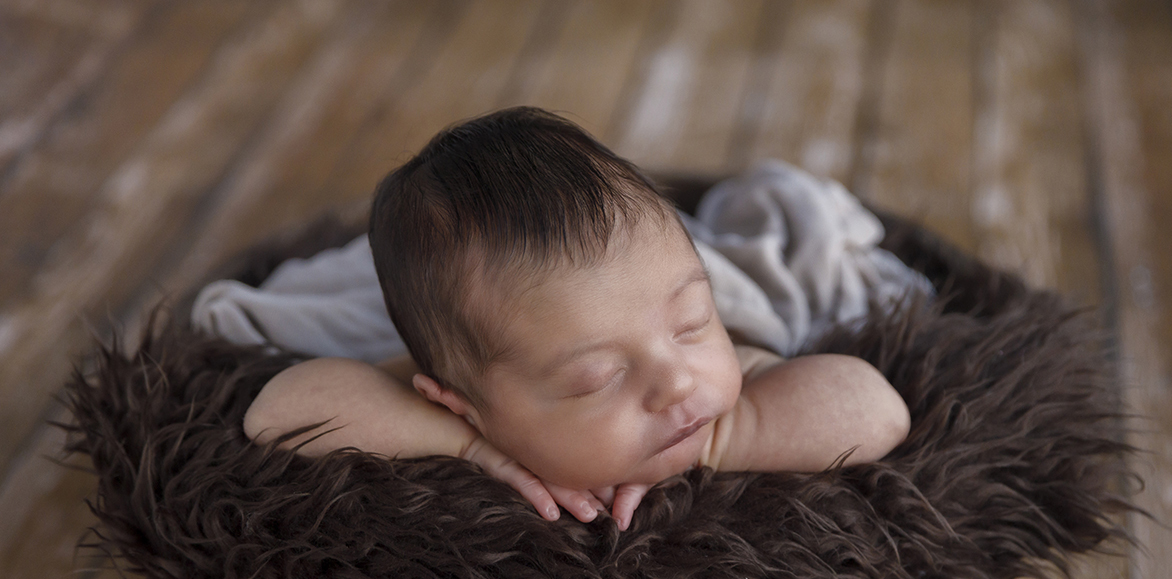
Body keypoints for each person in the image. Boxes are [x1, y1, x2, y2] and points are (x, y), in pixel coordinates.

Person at [243, 108, 911, 531]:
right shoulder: (461, 402)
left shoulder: (715, 377)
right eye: (596, 379)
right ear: (463, 405)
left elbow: (875, 411)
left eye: (690, 323)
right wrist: (473, 449)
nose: (677, 381)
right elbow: (276, 412)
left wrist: (721, 441)